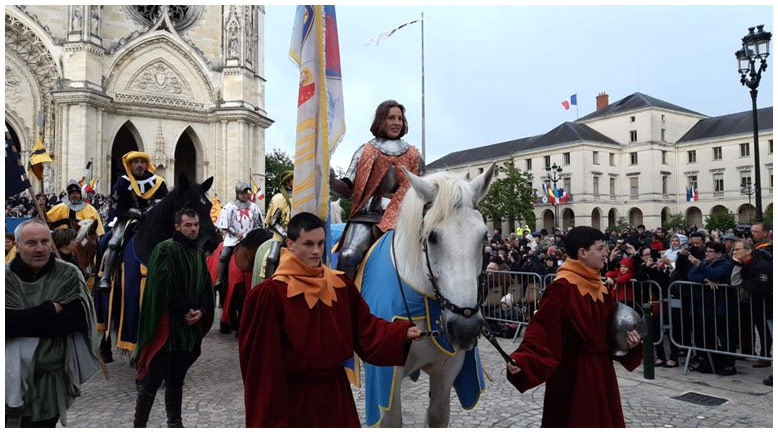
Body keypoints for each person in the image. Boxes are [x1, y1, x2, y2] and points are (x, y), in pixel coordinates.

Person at [238, 212, 421, 427]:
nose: (316, 251)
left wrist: (399, 333)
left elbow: (365, 328)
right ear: (290, 244)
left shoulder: (340, 285)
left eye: (321, 243)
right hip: (293, 400)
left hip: (335, 396)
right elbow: (262, 369)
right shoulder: (269, 295)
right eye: (308, 244)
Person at [506, 226, 642, 427]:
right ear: (582, 253)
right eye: (600, 248)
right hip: (574, 376)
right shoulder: (561, 288)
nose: (606, 253)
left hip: (602, 373)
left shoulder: (600, 287)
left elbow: (611, 333)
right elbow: (543, 331)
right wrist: (524, 361)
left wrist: (629, 343)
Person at [6, 219, 99, 427]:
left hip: (53, 377)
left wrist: (23, 321)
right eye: (31, 243)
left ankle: (105, 276)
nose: (40, 248)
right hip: (10, 375)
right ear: (17, 245)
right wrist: (49, 309)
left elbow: (77, 319)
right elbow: (6, 324)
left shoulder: (68, 274)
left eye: (45, 242)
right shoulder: (5, 278)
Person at [132, 209, 214, 428]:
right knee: (155, 375)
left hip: (188, 327)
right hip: (168, 326)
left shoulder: (198, 253)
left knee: (176, 378)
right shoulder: (165, 249)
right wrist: (186, 308)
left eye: (196, 224)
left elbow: (206, 286)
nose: (193, 229)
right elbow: (162, 286)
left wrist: (201, 310)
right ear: (177, 226)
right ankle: (139, 425)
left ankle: (175, 424)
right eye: (188, 225)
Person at [330, 100, 424, 279]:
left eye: (400, 118)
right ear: (381, 120)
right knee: (349, 255)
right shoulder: (365, 151)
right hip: (368, 216)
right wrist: (331, 181)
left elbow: (425, 191)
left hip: (405, 217)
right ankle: (344, 303)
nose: (397, 122)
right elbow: (347, 189)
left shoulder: (414, 155)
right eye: (391, 118)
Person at [98, 151, 168, 291]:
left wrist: (151, 211)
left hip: (152, 219)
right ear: (130, 165)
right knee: (114, 241)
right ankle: (106, 277)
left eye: (142, 162)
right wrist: (133, 212)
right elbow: (118, 204)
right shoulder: (123, 182)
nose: (139, 165)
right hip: (128, 218)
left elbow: (162, 202)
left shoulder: (157, 182)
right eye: (136, 162)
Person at [214, 181, 264, 305]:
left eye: (246, 192)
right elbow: (226, 223)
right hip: (233, 238)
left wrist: (254, 233)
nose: (245, 195)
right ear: (237, 193)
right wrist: (236, 233)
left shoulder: (254, 207)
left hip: (251, 238)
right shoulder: (229, 207)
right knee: (224, 255)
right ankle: (220, 280)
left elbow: (258, 223)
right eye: (242, 193)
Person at [262, 171, 294, 275]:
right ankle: (268, 283)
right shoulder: (279, 198)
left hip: (298, 235)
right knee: (272, 258)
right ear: (287, 182)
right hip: (281, 236)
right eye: (293, 179)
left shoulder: (301, 198)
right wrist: (285, 235)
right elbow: (273, 222)